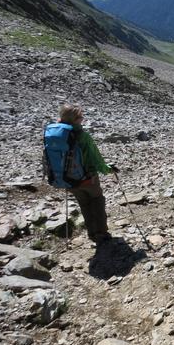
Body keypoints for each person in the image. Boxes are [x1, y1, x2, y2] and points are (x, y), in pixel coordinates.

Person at [57, 103, 118, 244]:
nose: (82, 119)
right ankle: (101, 233)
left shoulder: (56, 133)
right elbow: (96, 160)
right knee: (97, 202)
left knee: (84, 205)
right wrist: (109, 169)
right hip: (87, 178)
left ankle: (91, 233)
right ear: (74, 119)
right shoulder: (82, 136)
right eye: (80, 116)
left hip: (67, 179)